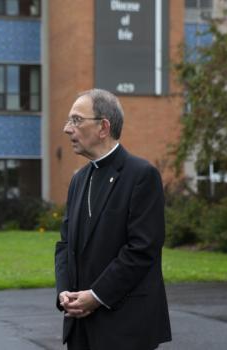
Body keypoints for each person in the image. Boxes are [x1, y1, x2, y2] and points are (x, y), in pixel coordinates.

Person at [54, 89, 171, 350]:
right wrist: (64, 293)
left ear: (103, 127)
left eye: (76, 120)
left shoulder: (142, 175)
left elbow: (143, 249)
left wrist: (95, 296)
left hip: (125, 327)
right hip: (80, 326)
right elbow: (64, 245)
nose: (67, 129)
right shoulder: (78, 180)